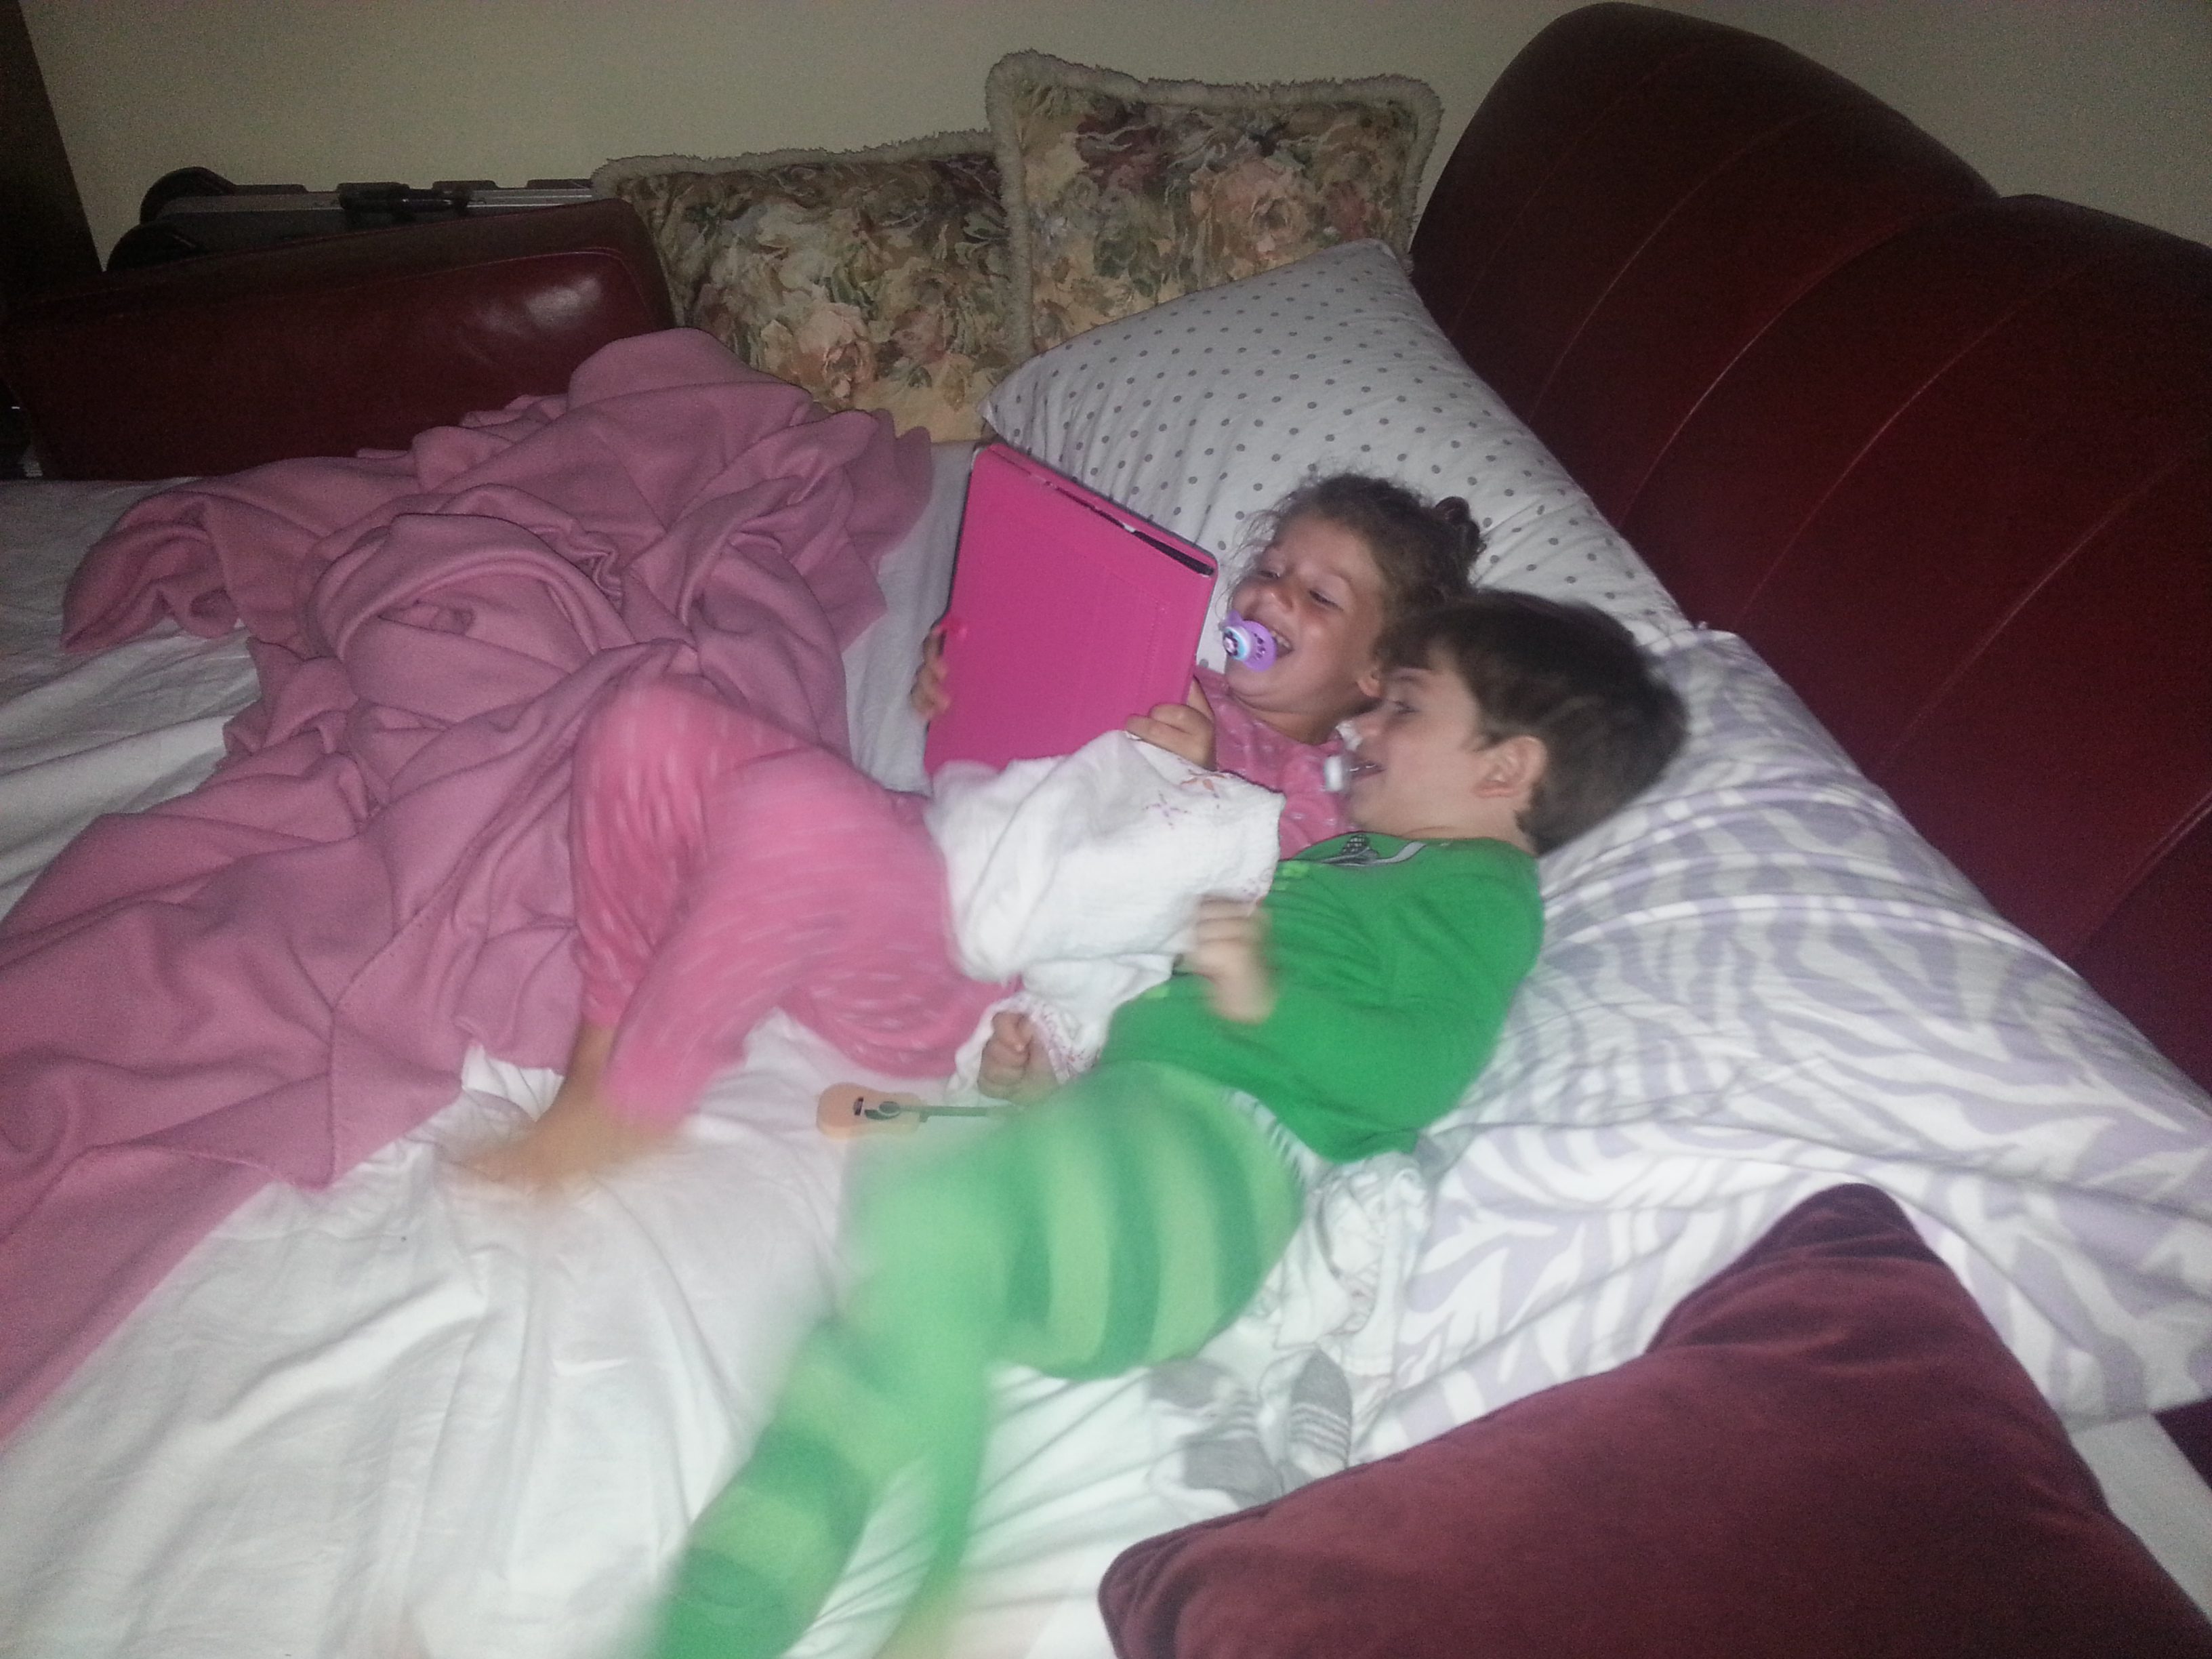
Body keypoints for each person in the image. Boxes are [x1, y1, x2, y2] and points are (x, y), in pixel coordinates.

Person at [648, 591, 1689, 1659]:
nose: (1365, 726)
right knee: (863, 1348)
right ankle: (721, 1615)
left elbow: (1422, 1070)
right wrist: (1052, 1094)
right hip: (1128, 1159)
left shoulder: (1483, 891)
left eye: (1408, 708)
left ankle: (941, 1581)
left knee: (933, 1223)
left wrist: (1268, 996)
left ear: (1505, 769)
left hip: (1216, 1173)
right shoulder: (1350, 857)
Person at [470, 473, 1478, 1188]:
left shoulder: (1321, 801)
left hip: (974, 971)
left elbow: (1224, 935)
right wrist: (966, 680)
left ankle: (637, 1106)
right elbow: (1002, 763)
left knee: (791, 817)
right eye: (1271, 566)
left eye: (1318, 595)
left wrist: (1201, 788)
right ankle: (604, 1041)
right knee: (645, 719)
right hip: (917, 857)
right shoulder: (1170, 666)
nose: (1270, 594)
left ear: (1374, 671)